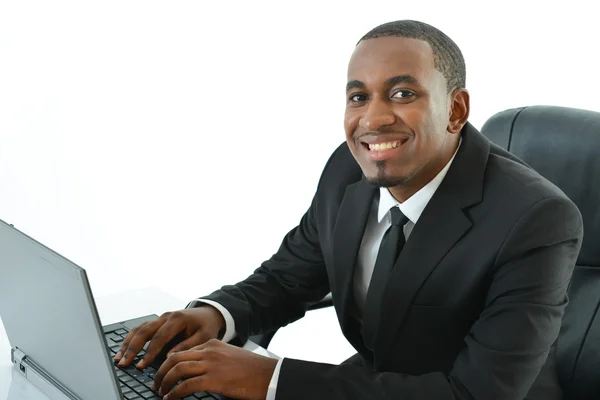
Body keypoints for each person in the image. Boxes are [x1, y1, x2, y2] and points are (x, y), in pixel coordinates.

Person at [114, 20, 583, 400]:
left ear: (455, 111)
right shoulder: (348, 168)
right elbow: (287, 277)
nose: (373, 119)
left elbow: (477, 393)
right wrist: (216, 316)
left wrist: (271, 380)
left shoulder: (536, 219)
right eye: (359, 96)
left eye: (403, 94)